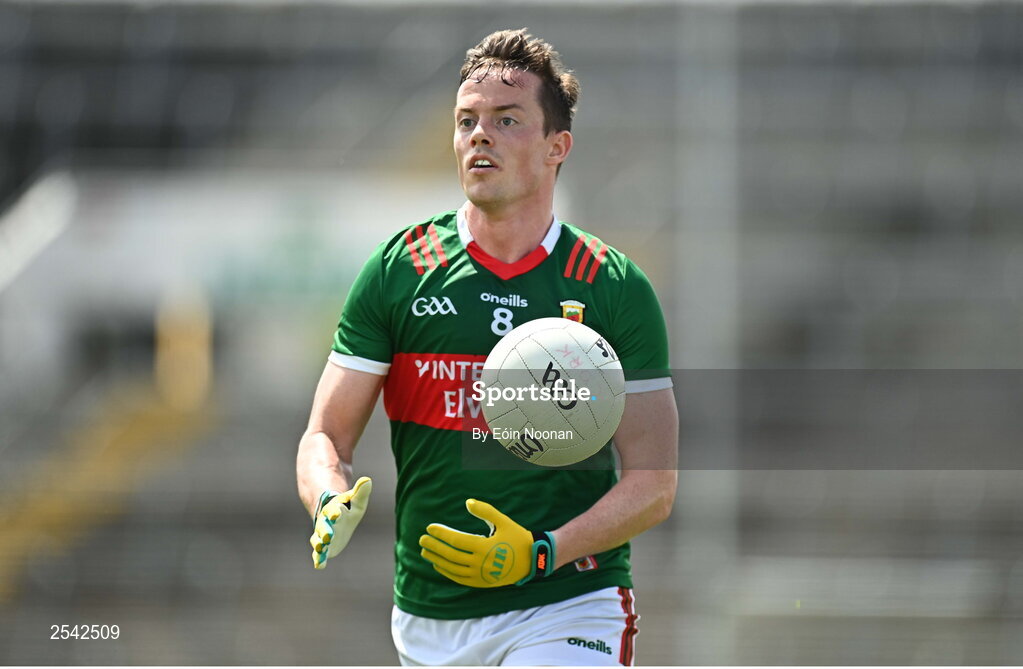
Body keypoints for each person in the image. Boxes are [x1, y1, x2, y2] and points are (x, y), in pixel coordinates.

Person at [295, 28, 678, 666]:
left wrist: (542, 552)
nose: (480, 134)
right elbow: (324, 436)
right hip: (427, 618)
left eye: (507, 119)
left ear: (559, 147)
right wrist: (327, 493)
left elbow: (655, 483)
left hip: (568, 602)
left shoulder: (613, 286)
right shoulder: (400, 271)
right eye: (466, 120)